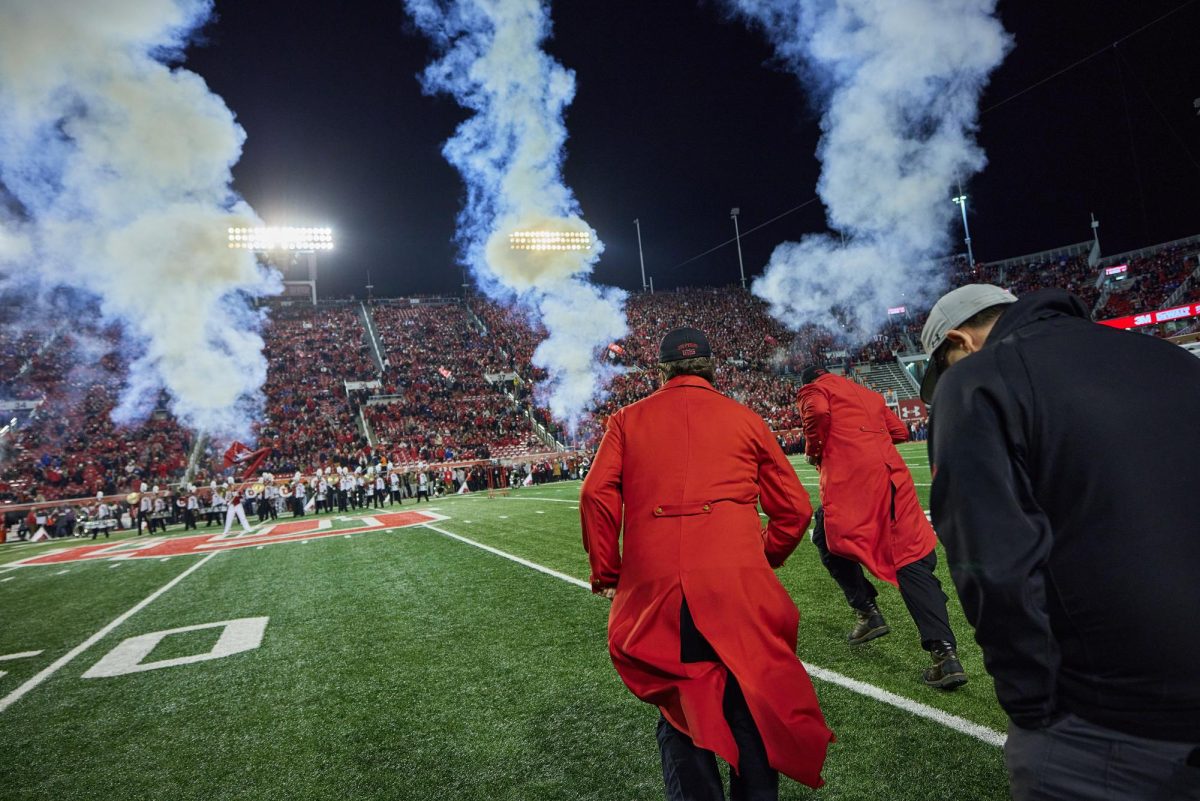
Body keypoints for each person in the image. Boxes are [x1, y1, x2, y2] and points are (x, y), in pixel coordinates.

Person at [921, 284, 1200, 800]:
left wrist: (1033, 708)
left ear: (959, 341)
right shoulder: (1170, 357)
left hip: (1114, 720)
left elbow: (995, 569)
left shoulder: (978, 381)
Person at [581, 327, 832, 800]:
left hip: (662, 593)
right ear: (711, 367)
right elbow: (796, 509)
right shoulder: (746, 418)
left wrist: (608, 572)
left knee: (682, 711)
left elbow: (596, 494)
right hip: (738, 588)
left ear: (662, 370)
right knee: (751, 707)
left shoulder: (625, 421)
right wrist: (762, 558)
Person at [797, 365, 966, 690]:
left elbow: (817, 410)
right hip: (893, 482)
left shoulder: (815, 390)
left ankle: (867, 610)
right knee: (910, 559)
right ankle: (945, 656)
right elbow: (900, 431)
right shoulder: (867, 394)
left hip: (855, 484)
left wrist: (815, 450)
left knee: (826, 536)